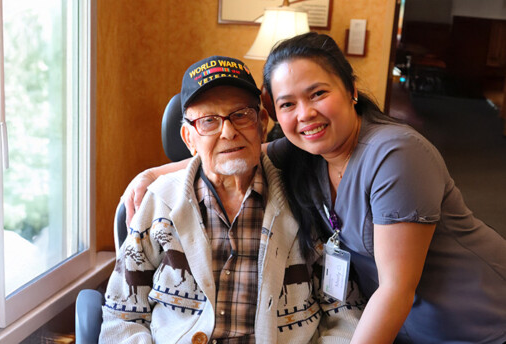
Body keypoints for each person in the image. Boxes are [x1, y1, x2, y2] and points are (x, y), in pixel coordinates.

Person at [123, 34, 506, 343]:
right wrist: (153, 174)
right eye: (288, 103)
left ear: (351, 91)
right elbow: (231, 152)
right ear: (274, 114)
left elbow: (395, 290)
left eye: (318, 94)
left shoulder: (396, 156)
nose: (305, 114)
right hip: (398, 329)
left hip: (477, 321)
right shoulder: (303, 152)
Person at [100, 55, 365, 344]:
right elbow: (123, 316)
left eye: (241, 115)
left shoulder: (306, 200)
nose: (229, 131)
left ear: (262, 124)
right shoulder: (158, 203)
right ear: (189, 138)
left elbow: (345, 313)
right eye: (209, 121)